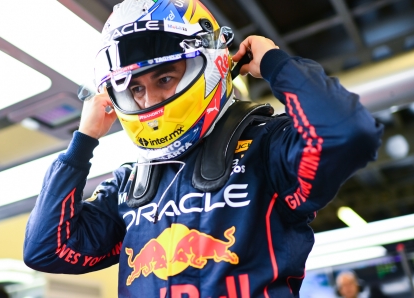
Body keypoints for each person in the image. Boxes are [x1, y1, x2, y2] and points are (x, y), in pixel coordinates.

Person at [23, 0, 383, 296]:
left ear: (209, 66)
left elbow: (347, 133)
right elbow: (45, 250)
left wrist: (276, 64)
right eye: (135, 89)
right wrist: (83, 141)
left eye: (164, 78)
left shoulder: (268, 148)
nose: (150, 99)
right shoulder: (130, 185)